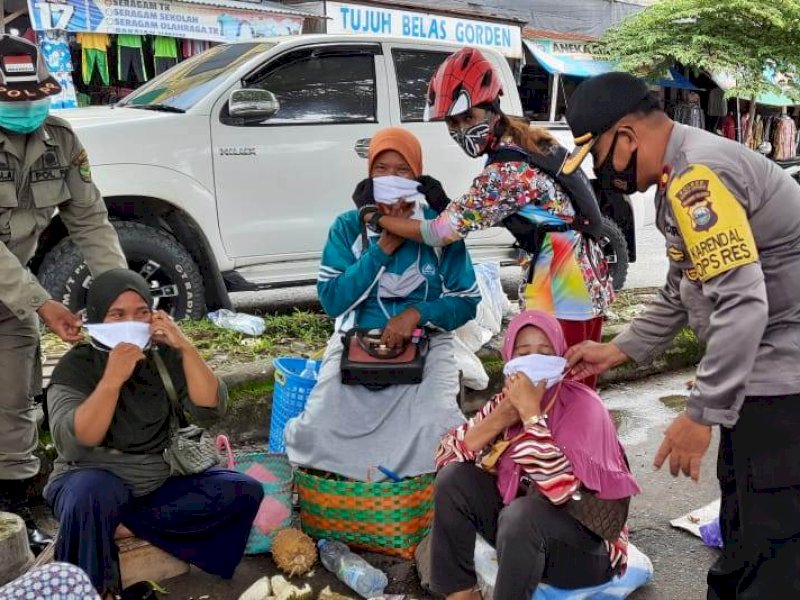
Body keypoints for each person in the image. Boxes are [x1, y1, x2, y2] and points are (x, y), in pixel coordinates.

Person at [561, 71, 800, 599]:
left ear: (626, 136)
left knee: (773, 544)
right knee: (743, 521)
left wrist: (700, 413)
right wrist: (618, 349)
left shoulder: (698, 179)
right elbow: (681, 288)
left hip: (784, 378)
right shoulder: (679, 175)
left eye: (599, 156)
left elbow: (741, 302)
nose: (603, 173)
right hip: (758, 374)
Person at [355, 47, 614, 389]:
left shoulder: (506, 169)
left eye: (468, 117)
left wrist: (375, 218)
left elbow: (439, 232)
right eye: (453, 122)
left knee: (553, 390)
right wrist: (443, 201)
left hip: (562, 284)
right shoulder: (526, 140)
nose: (461, 129)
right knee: (575, 388)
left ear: (492, 108)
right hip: (584, 276)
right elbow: (493, 212)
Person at [44, 269, 264, 596]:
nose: (130, 323)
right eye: (117, 315)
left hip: (157, 482)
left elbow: (211, 408)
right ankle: (93, 587)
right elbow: (73, 444)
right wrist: (112, 380)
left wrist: (185, 347)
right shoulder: (77, 366)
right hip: (92, 480)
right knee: (93, 495)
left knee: (244, 491)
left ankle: (118, 526)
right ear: (97, 317)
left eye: (141, 312)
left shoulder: (162, 358)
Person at [284, 127, 480, 481]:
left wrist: (417, 313)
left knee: (437, 424)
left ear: (418, 175)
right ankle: (352, 491)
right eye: (381, 169)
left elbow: (466, 301)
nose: (391, 178)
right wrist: (384, 247)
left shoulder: (438, 229)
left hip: (427, 344)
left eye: (402, 170)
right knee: (318, 427)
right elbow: (332, 300)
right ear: (370, 175)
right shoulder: (349, 227)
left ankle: (418, 494)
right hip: (357, 342)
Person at [0, 34, 127, 553]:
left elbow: (90, 221)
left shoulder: (61, 140)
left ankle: (11, 518)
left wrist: (120, 296)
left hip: (12, 303)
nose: (26, 107)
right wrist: (44, 304)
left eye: (33, 97)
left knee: (13, 403)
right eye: (13, 100)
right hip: (21, 292)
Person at [431, 310, 639, 600]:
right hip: (520, 538)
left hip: (585, 550)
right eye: (523, 352)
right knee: (453, 479)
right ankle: (462, 594)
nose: (533, 361)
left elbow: (561, 492)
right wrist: (499, 419)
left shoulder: (584, 407)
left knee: (522, 515)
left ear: (561, 358)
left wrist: (531, 416)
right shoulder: (505, 403)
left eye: (545, 352)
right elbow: (443, 458)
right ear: (508, 357)